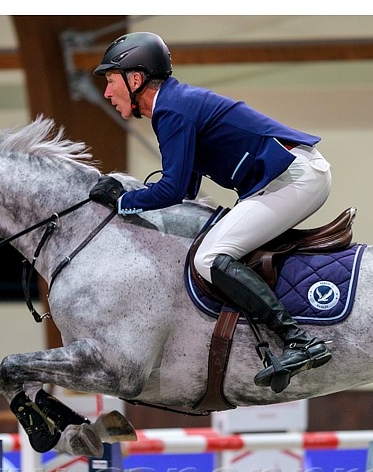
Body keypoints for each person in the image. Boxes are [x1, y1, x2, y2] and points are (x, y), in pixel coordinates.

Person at [89, 31, 333, 393]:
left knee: (210, 256)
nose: (107, 93)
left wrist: (123, 201)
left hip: (294, 179)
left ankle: (298, 340)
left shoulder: (171, 111)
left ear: (135, 80)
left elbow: (171, 189)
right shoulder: (175, 105)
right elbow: (185, 188)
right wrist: (134, 194)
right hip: (290, 176)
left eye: (111, 81)